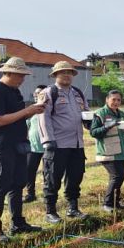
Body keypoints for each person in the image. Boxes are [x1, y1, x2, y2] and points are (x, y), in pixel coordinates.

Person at [0, 57, 45, 239]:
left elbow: (17, 117)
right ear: (9, 73)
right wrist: (27, 111)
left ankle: (17, 222)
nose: (23, 79)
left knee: (18, 183)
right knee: (0, 185)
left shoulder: (15, 92)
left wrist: (32, 111)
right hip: (3, 145)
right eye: (20, 75)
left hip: (19, 144)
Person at [38, 61, 89, 223]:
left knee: (75, 177)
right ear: (55, 75)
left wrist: (90, 121)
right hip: (57, 144)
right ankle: (50, 211)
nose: (66, 75)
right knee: (52, 178)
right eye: (62, 72)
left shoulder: (78, 93)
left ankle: (73, 208)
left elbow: (85, 112)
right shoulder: (49, 93)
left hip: (76, 143)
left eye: (69, 72)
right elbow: (43, 118)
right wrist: (48, 140)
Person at [90, 89, 124, 213]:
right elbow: (94, 132)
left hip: (122, 151)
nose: (116, 102)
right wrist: (108, 126)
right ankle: (107, 204)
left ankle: (115, 202)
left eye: (118, 100)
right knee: (116, 176)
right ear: (107, 100)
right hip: (107, 152)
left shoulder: (122, 114)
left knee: (120, 177)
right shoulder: (100, 114)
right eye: (113, 99)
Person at [24, 85, 47, 203]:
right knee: (29, 171)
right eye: (35, 93)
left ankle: (47, 195)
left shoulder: (50, 109)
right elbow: (26, 127)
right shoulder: (30, 110)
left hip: (48, 147)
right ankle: (30, 194)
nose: (36, 95)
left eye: (39, 93)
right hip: (32, 147)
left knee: (47, 172)